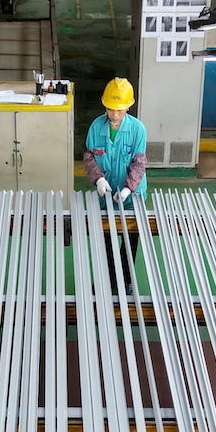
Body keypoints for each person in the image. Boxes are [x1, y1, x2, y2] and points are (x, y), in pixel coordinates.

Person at [82, 78, 147, 290]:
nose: (115, 115)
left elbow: (139, 162)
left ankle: (125, 281)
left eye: (119, 110)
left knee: (129, 244)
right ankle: (107, 280)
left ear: (129, 106)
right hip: (106, 197)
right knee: (106, 241)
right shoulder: (96, 126)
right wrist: (98, 179)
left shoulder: (138, 129)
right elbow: (90, 156)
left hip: (133, 199)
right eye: (111, 109)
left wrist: (129, 188)